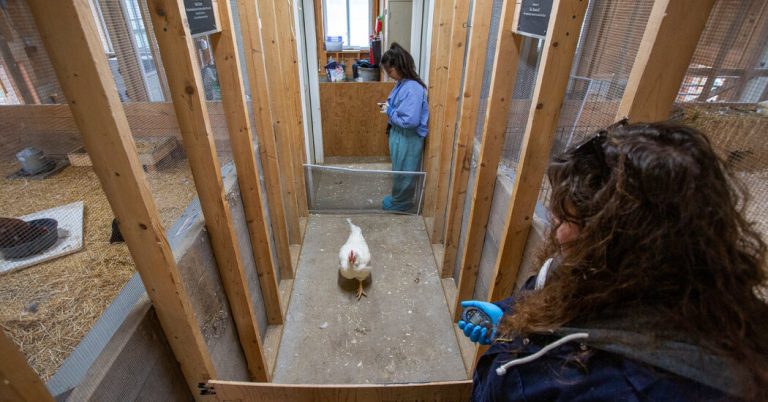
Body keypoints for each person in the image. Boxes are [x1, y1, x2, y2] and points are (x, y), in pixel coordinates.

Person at [458, 121, 768, 401]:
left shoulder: (609, 386)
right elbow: (557, 289)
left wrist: (505, 347)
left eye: (568, 217)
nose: (553, 222)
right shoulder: (665, 283)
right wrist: (509, 314)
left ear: (618, 240)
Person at [378, 43, 429, 212]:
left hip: (408, 136)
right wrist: (390, 109)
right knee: (399, 168)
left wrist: (390, 111)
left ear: (400, 67)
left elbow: (410, 121)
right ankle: (398, 198)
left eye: (390, 71)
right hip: (400, 134)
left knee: (405, 169)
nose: (389, 75)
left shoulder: (413, 88)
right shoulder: (402, 83)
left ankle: (402, 204)